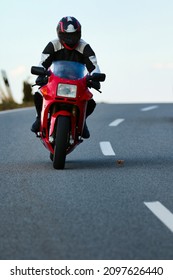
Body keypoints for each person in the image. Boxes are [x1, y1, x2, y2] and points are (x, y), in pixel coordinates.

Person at [31, 16, 101, 138]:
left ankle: (82, 122)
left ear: (79, 33)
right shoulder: (53, 45)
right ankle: (39, 118)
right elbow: (42, 62)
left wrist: (95, 77)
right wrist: (40, 73)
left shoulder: (85, 47)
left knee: (91, 102)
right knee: (38, 94)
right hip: (55, 80)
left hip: (77, 82)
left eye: (73, 35)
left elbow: (94, 65)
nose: (70, 39)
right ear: (59, 33)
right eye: (67, 36)